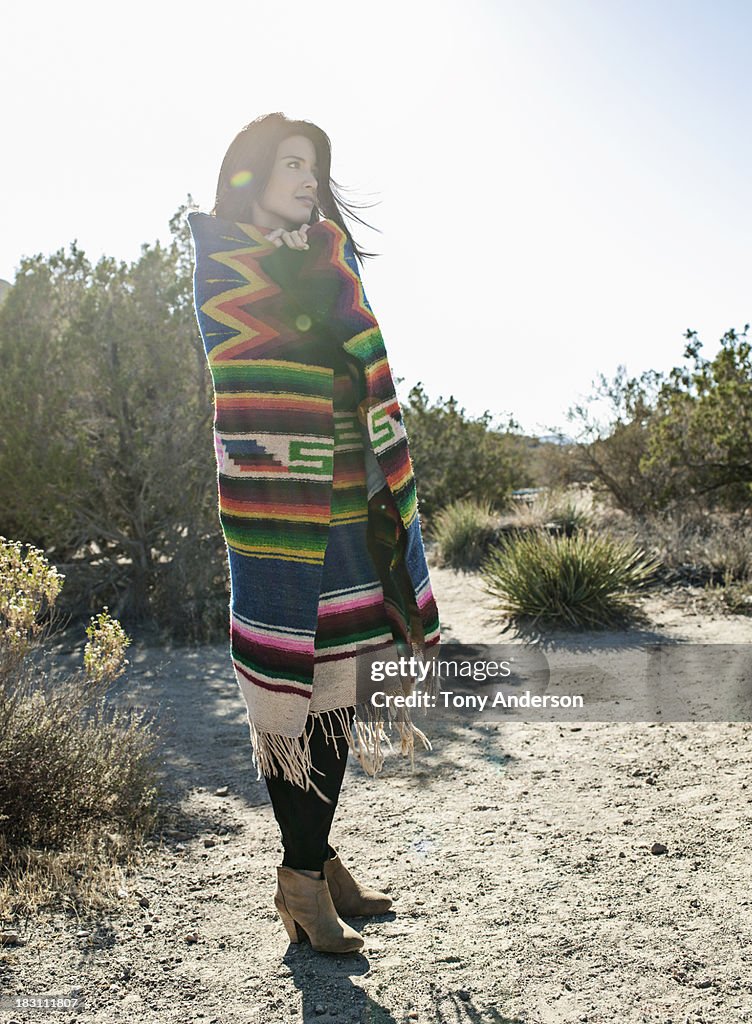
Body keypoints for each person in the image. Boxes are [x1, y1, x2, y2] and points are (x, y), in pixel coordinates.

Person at [188, 113, 440, 954]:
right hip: (275, 512)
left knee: (340, 681)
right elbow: (249, 363)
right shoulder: (221, 261)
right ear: (253, 174)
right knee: (287, 689)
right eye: (291, 163)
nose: (307, 177)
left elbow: (360, 362)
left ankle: (312, 864)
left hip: (350, 502)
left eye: (315, 166)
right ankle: (302, 879)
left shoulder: (332, 256)